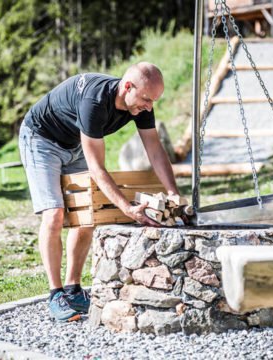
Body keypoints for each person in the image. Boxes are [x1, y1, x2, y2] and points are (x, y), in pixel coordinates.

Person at [18, 62, 180, 321]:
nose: (149, 107)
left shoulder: (140, 104)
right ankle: (55, 294)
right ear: (127, 87)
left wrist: (172, 192)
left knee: (87, 213)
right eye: (146, 99)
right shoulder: (94, 101)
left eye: (154, 101)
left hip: (75, 142)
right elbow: (97, 167)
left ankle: (72, 288)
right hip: (40, 138)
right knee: (55, 213)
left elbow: (154, 149)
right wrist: (126, 208)